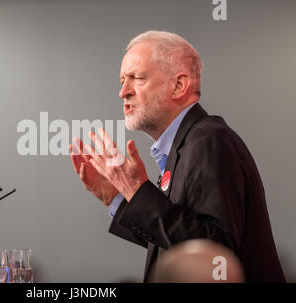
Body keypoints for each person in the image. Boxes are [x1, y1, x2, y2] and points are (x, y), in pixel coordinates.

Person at [69, 30, 285, 282]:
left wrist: (138, 191)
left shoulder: (208, 141)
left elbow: (216, 258)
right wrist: (118, 197)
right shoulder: (187, 144)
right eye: (121, 80)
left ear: (179, 85)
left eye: (136, 78)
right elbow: (177, 241)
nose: (123, 92)